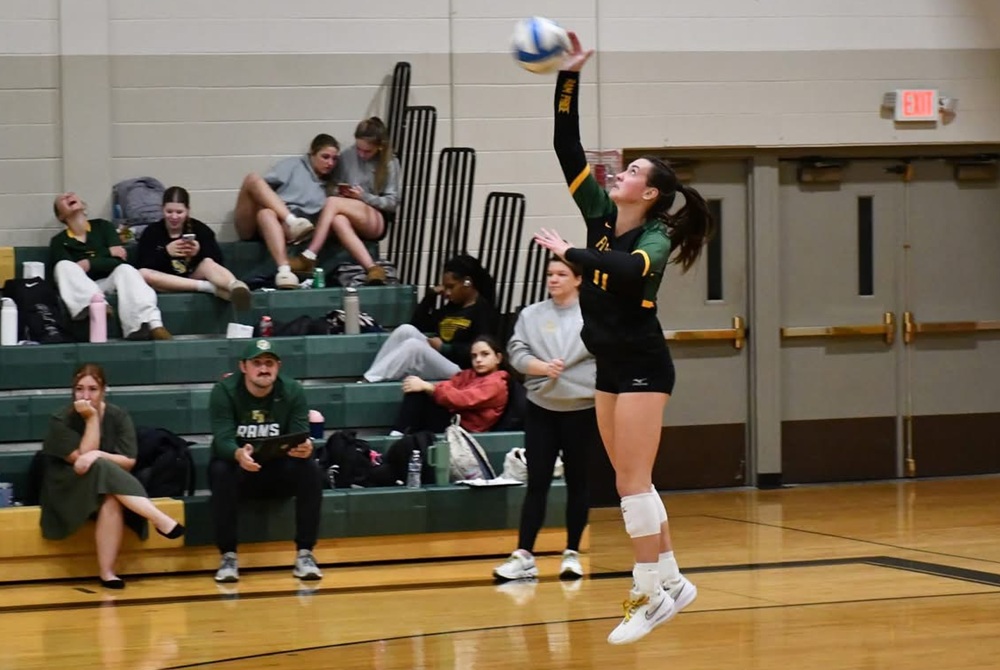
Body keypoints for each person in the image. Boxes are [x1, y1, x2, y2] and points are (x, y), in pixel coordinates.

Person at [532, 32, 714, 645]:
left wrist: (571, 254)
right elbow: (564, 144)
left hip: (642, 364)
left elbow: (632, 271)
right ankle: (673, 579)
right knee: (632, 480)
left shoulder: (654, 236)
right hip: (609, 364)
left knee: (630, 483)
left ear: (652, 193)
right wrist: (570, 75)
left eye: (632, 171)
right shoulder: (600, 215)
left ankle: (647, 595)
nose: (619, 172)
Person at [492, 257, 598, 583]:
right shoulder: (531, 315)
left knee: (579, 483)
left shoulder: (593, 315)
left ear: (578, 279)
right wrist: (541, 368)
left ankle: (571, 553)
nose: (553, 279)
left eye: (561, 274)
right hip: (541, 408)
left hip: (582, 409)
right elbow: (516, 352)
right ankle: (524, 555)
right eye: (550, 274)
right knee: (537, 482)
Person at [40, 363, 185, 589]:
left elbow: (128, 461)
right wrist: (91, 420)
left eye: (92, 389)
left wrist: (97, 453)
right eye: (79, 389)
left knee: (109, 495)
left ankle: (107, 573)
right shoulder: (60, 419)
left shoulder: (118, 415)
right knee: (99, 466)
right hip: (66, 485)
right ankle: (158, 518)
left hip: (107, 482)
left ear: (104, 390)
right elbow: (81, 464)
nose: (85, 396)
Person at [207, 338, 325, 583]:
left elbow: (300, 432)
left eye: (269, 363)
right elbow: (222, 439)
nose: (263, 368)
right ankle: (228, 556)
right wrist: (238, 454)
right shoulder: (224, 391)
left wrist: (305, 448)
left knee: (310, 469)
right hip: (242, 471)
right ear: (243, 367)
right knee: (220, 469)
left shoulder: (292, 390)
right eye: (257, 363)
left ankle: (305, 553)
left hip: (277, 470)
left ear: (278, 366)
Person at [290, 117, 400, 285]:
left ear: (379, 147)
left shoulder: (390, 163)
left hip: (375, 216)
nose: (361, 154)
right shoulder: (348, 155)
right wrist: (342, 192)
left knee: (332, 203)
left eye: (367, 151)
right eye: (359, 149)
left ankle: (310, 255)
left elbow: (392, 202)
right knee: (338, 219)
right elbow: (332, 186)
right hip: (348, 211)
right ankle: (372, 268)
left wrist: (364, 197)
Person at [49, 192, 172, 340]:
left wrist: (88, 263)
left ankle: (149, 324)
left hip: (109, 282)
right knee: (63, 266)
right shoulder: (58, 241)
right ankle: (97, 306)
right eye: (63, 198)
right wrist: (107, 253)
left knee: (126, 270)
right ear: (61, 216)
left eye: (71, 195)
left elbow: (119, 260)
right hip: (83, 290)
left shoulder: (103, 226)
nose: (68, 197)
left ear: (83, 204)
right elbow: (70, 271)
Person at [363, 254, 500, 382]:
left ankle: (369, 381)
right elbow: (417, 325)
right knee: (405, 330)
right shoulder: (451, 307)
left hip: (462, 370)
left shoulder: (483, 310)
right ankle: (371, 376)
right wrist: (430, 296)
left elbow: (484, 349)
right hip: (441, 359)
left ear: (467, 282)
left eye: (451, 287)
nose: (447, 292)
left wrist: (446, 348)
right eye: (445, 287)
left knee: (414, 347)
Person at [233, 134, 340, 289]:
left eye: (334, 159)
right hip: (259, 222)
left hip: (284, 228)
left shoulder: (330, 186)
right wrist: (277, 202)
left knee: (266, 214)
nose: (330, 163)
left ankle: (284, 272)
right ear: (312, 153)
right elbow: (262, 189)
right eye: (325, 157)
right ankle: (292, 221)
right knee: (252, 179)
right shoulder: (292, 166)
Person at [137, 186, 252, 310]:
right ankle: (210, 288)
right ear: (162, 210)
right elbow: (142, 264)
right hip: (166, 282)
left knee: (208, 262)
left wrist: (198, 252)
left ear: (187, 211)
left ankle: (235, 287)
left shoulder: (200, 229)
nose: (174, 217)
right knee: (143, 273)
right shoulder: (151, 232)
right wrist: (166, 252)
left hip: (193, 275)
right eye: (169, 212)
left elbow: (218, 261)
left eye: (179, 212)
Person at [391, 335, 509, 436]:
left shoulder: (497, 383)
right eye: (474, 356)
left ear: (498, 358)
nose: (478, 360)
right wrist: (437, 390)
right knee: (418, 393)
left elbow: (463, 399)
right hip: (452, 418)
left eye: (485, 354)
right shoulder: (468, 374)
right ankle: (401, 435)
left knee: (420, 393)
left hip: (464, 430)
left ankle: (398, 434)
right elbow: (449, 385)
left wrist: (430, 387)